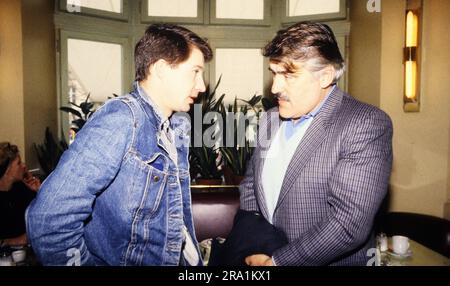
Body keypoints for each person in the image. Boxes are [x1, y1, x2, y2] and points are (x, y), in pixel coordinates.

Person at [26, 24, 212, 266]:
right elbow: (48, 218)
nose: (202, 86)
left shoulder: (175, 126)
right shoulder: (123, 119)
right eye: (195, 72)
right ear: (161, 69)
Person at [240, 22, 393, 266]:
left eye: (289, 74)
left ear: (325, 76)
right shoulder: (269, 119)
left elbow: (348, 224)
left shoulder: (365, 123)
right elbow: (250, 188)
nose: (275, 87)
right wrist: (258, 245)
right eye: (274, 73)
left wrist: (277, 262)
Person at [0, 142, 41, 247]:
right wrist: (10, 241)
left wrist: (38, 191)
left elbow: (42, 217)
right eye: (18, 163)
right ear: (6, 170)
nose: (23, 165)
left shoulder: (21, 188)